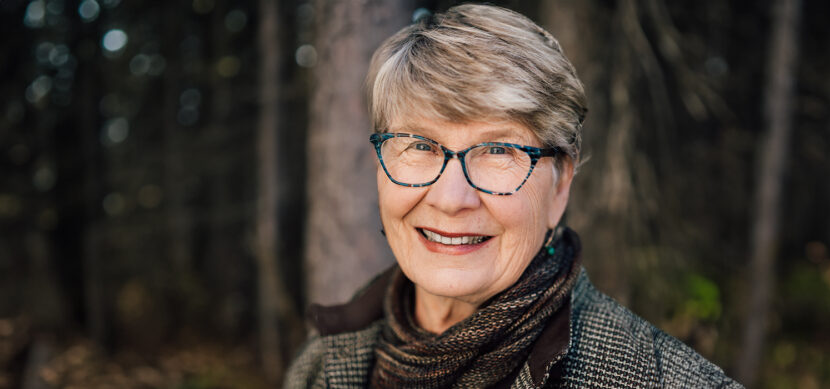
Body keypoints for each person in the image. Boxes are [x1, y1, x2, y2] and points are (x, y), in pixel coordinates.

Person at [284, 4, 742, 388]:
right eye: (420, 146)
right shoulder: (322, 362)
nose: (451, 198)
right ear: (380, 166)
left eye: (498, 150)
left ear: (560, 184)